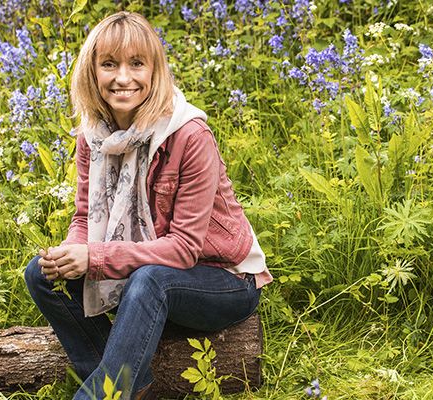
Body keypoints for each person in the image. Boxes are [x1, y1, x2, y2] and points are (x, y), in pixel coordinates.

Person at [24, 11, 272, 400]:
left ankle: (100, 395)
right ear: (93, 72)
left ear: (155, 71)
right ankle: (131, 384)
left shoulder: (189, 135)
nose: (124, 78)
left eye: (136, 63)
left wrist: (95, 257)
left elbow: (184, 248)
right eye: (109, 64)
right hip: (147, 272)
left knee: (151, 278)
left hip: (222, 280)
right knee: (40, 275)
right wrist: (72, 251)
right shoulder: (93, 136)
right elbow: (85, 216)